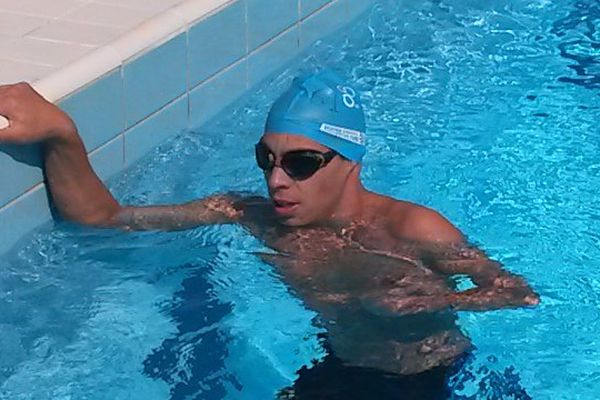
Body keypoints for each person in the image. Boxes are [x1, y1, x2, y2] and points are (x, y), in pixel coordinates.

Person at [0, 70, 539, 399]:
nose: (277, 180)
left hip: (437, 379)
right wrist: (62, 137)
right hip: (342, 371)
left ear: (349, 161)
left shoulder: (414, 228)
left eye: (302, 163)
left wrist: (430, 300)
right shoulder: (248, 214)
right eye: (268, 159)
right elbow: (102, 219)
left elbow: (517, 293)